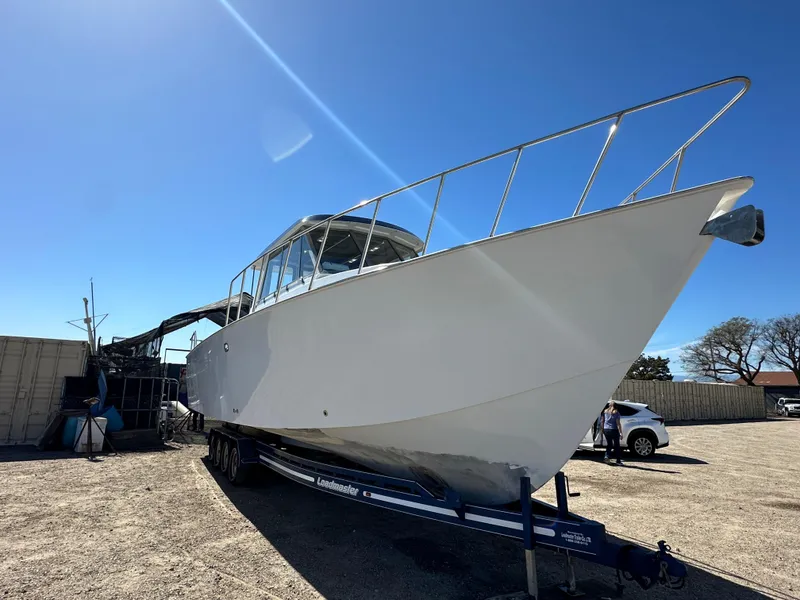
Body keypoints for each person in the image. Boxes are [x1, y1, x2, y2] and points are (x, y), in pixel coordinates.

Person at [602, 401, 623, 465]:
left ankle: (607, 456)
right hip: (614, 430)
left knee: (609, 444)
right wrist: (620, 432)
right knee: (617, 445)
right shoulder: (616, 412)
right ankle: (618, 460)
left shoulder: (605, 412)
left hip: (606, 429)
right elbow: (618, 424)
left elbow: (602, 421)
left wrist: (602, 429)